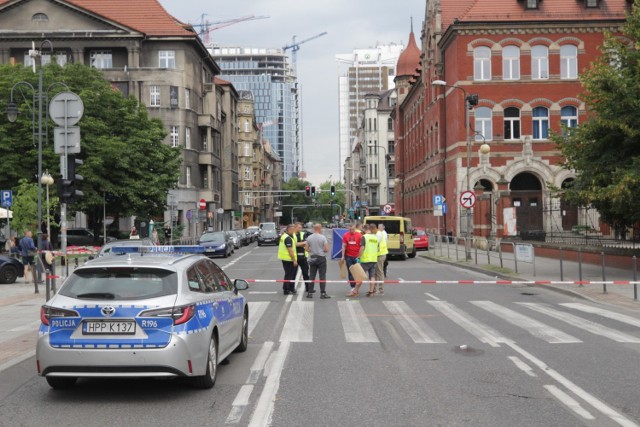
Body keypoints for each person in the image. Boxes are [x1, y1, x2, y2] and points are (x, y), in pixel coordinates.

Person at [348, 224, 379, 297]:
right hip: (374, 259)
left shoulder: (364, 237)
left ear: (365, 229)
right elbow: (377, 248)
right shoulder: (375, 237)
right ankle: (371, 292)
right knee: (372, 276)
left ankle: (355, 291)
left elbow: (362, 248)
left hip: (365, 259)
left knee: (360, 276)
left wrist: (358, 256)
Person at [306, 223, 331, 299]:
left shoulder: (309, 238)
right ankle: (323, 293)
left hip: (313, 258)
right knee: (322, 276)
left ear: (314, 229)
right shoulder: (322, 237)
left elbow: (306, 248)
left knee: (312, 275)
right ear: (320, 229)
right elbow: (326, 249)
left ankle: (310, 293)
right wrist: (321, 250)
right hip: (321, 258)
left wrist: (312, 250)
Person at [341, 222, 362, 290]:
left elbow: (362, 246)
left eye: (353, 229)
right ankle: (353, 287)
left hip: (357, 256)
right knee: (350, 272)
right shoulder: (346, 235)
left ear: (355, 228)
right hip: (348, 256)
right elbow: (344, 246)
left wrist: (360, 256)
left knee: (357, 272)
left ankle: (357, 286)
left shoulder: (359, 235)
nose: (351, 231)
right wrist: (342, 256)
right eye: (350, 229)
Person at [277, 224, 298, 295]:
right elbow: (290, 250)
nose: (294, 231)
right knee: (289, 275)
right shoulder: (288, 238)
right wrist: (294, 260)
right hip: (288, 259)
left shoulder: (284, 236)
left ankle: (287, 288)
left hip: (285, 258)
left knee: (288, 274)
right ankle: (286, 289)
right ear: (289, 230)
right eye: (293, 230)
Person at [294, 222, 311, 294]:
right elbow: (295, 244)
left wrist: (302, 243)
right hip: (295, 257)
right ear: (295, 227)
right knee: (293, 274)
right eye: (299, 227)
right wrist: (302, 243)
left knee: (305, 273)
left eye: (301, 227)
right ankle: (291, 288)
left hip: (303, 257)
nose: (301, 229)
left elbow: (306, 242)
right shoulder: (293, 235)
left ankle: (308, 288)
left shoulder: (303, 233)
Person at [376, 223, 389, 295]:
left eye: (379, 227)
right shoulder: (384, 233)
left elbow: (377, 244)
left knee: (379, 272)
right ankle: (377, 289)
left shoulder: (379, 234)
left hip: (380, 254)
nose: (379, 228)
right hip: (383, 253)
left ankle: (380, 289)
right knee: (379, 271)